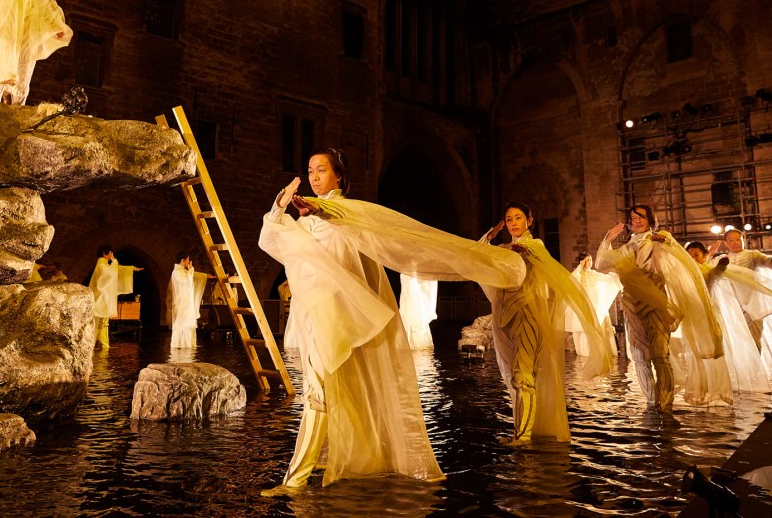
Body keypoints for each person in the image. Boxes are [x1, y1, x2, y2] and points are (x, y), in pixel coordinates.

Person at [258, 148, 527, 492]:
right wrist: (278, 210)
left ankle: (295, 482)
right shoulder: (308, 218)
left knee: (318, 393)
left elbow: (350, 223)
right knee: (328, 392)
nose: (314, 177)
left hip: (342, 316)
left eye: (321, 170)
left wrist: (321, 208)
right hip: (321, 315)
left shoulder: (346, 212)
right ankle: (354, 459)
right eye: (310, 170)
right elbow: (278, 244)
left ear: (338, 176)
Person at [480, 204, 613, 443]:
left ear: (529, 220)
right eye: (509, 219)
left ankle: (523, 436)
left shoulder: (535, 246)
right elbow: (477, 257)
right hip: (506, 317)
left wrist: (525, 254)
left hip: (528, 315)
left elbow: (547, 270)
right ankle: (522, 430)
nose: (513, 223)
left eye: (518, 218)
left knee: (523, 374)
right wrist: (490, 236)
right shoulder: (503, 248)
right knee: (515, 375)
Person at [596, 205, 730, 412]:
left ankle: (666, 403)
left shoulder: (660, 238)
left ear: (650, 219)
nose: (637, 220)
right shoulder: (627, 247)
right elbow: (603, 265)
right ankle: (651, 402)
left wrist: (667, 243)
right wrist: (607, 240)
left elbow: (679, 257)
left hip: (656, 302)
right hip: (632, 303)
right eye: (633, 217)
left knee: (660, 354)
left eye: (641, 216)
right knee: (639, 355)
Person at [707, 230, 772, 379]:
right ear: (726, 243)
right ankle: (740, 371)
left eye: (738, 239)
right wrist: (710, 253)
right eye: (732, 240)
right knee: (735, 338)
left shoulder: (751, 255)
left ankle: (755, 373)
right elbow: (706, 268)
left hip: (753, 302)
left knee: (755, 337)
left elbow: (764, 259)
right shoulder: (722, 259)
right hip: (734, 304)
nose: (736, 242)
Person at [685, 241, 770, 393]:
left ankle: (718, 382)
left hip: (710, 314)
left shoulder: (707, 270)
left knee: (716, 346)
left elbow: (713, 275)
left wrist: (721, 266)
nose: (692, 258)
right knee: (698, 349)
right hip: (693, 315)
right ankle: (703, 383)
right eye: (689, 255)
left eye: (696, 255)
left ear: (704, 255)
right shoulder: (684, 272)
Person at [567, 253, 621, 358]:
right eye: (587, 260)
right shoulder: (578, 274)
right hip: (585, 304)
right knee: (586, 328)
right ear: (582, 262)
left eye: (590, 260)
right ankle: (587, 352)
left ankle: (602, 351)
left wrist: (615, 273)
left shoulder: (593, 274)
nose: (589, 262)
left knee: (601, 325)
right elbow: (572, 280)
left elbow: (606, 278)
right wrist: (579, 267)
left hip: (596, 304)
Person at [88, 245, 142, 349]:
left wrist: (132, 269)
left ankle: (103, 344)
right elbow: (112, 271)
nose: (112, 255)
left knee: (103, 323)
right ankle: (97, 344)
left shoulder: (104, 265)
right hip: (101, 299)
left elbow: (116, 270)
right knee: (100, 323)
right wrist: (115, 261)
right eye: (110, 253)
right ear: (105, 253)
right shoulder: (101, 266)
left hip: (103, 299)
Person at [167, 251, 208, 349]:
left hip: (186, 303)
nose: (189, 261)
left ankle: (188, 344)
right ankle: (181, 344)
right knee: (182, 323)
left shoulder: (182, 271)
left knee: (188, 324)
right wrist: (190, 271)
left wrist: (193, 272)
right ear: (183, 260)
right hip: (182, 303)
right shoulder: (176, 272)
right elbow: (186, 284)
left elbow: (192, 278)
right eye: (188, 259)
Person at [398, 274, 438, 350]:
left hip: (415, 279)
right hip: (409, 280)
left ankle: (413, 343)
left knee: (416, 308)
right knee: (410, 304)